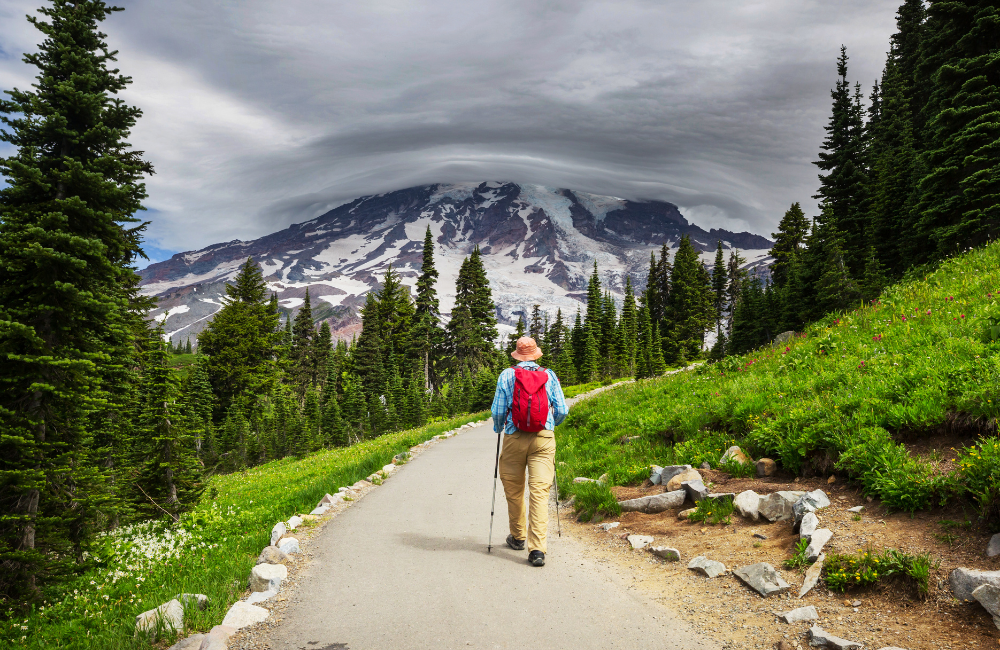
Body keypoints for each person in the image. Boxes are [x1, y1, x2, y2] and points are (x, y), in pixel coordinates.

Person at [490, 336, 568, 567]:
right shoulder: (549, 375)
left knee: (514, 490)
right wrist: (550, 424)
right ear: (536, 355)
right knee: (539, 493)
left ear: (517, 354)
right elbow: (562, 409)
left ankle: (518, 537)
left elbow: (498, 412)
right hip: (543, 439)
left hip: (514, 438)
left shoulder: (507, 375)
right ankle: (537, 550)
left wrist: (499, 428)